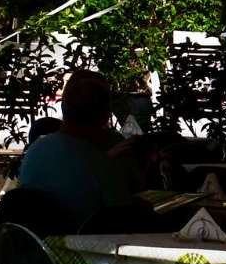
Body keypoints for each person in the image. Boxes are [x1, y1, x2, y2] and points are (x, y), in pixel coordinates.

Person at [17, 71, 148, 226]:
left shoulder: (34, 151)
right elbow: (123, 219)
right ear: (105, 114)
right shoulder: (101, 163)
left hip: (35, 244)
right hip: (85, 245)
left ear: (63, 106)